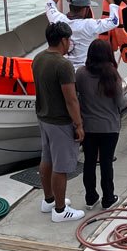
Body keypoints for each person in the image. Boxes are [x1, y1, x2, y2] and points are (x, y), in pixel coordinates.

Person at [32, 21, 85, 222]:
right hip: (60, 121)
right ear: (64, 40)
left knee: (47, 159)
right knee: (61, 166)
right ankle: (61, 211)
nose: (70, 43)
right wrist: (79, 124)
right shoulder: (63, 65)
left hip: (43, 117)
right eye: (69, 39)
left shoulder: (38, 58)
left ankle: (49, 200)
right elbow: (71, 99)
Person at [76, 39, 127, 209]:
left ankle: (90, 198)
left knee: (89, 162)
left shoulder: (81, 74)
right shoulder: (112, 74)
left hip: (88, 127)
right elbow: (120, 103)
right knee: (106, 163)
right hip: (109, 127)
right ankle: (108, 198)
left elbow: (76, 97)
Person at [45, 0, 119, 68]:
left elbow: (49, 4)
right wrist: (112, 2)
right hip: (83, 70)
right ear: (85, 9)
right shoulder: (89, 25)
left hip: (63, 68)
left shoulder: (58, 20)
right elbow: (114, 21)